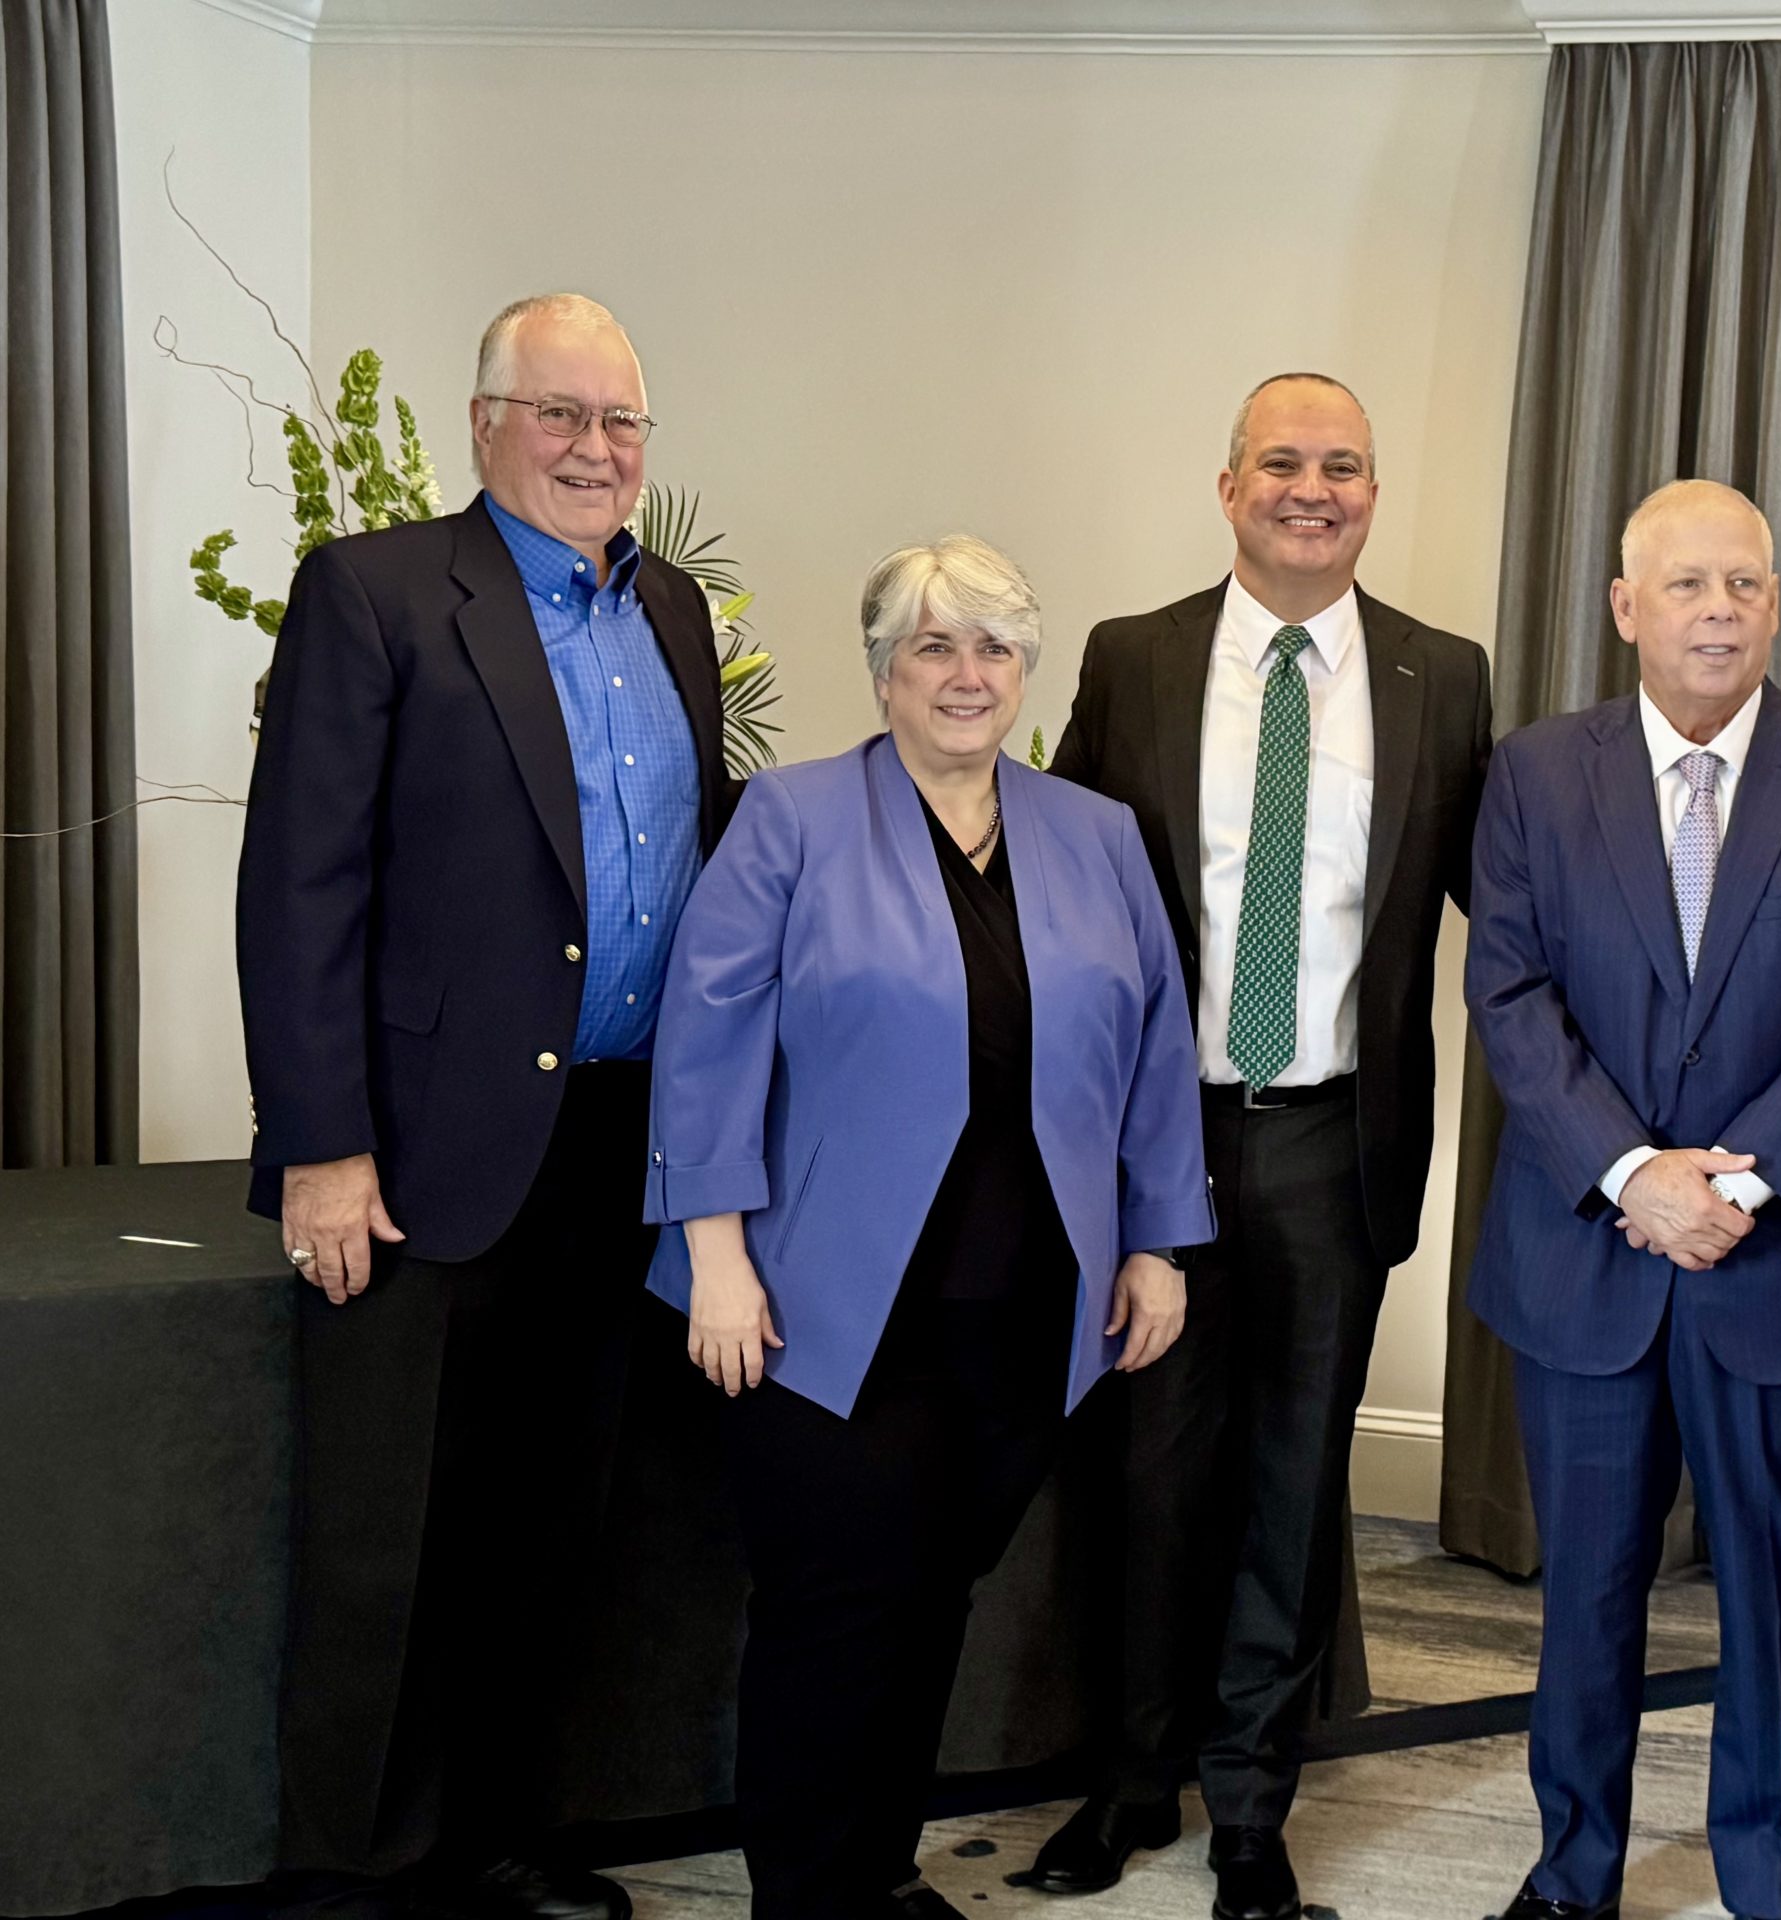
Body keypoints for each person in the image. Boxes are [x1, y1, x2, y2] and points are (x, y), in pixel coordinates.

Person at [237, 293, 728, 1919]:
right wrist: (321, 1143)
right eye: (563, 415)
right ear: (485, 421)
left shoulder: (672, 610)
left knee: (547, 1524)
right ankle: (360, 1875)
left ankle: (504, 1839)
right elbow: (298, 887)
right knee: (390, 1543)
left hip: (615, 1140)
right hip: (417, 1150)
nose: (597, 449)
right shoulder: (375, 593)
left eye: (623, 423)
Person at [642, 534, 1215, 1920]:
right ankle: (810, 1895)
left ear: (1027, 667)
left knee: (931, 1603)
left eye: (995, 646)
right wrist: (714, 1254)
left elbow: (1152, 1047)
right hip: (823, 1303)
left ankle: (879, 1872)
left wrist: (1154, 1241)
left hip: (1026, 1306)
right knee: (835, 1618)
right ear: (883, 671)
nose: (968, 675)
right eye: (933, 647)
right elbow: (706, 1043)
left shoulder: (1094, 831)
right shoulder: (791, 819)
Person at [1023, 373, 1490, 1920]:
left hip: (1334, 1140)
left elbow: (1516, 902)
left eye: (1343, 466)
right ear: (1227, 486)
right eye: (1282, 462)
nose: (1314, 487)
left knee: (1293, 1484)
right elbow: (1062, 892)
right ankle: (1128, 1779)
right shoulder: (1136, 658)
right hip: (1163, 1139)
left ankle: (1246, 1807)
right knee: (1147, 1475)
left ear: (1374, 493)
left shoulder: (1443, 674)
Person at [1465, 479, 1781, 1920]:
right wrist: (1634, 1176)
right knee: (1587, 1606)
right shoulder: (1537, 773)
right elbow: (1511, 991)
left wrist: (1737, 1182)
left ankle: (1778, 1884)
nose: (1718, 609)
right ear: (1625, 608)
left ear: (1776, 603)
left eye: (1742, 583)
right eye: (1685, 586)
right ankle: (1572, 1878)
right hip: (1587, 1258)